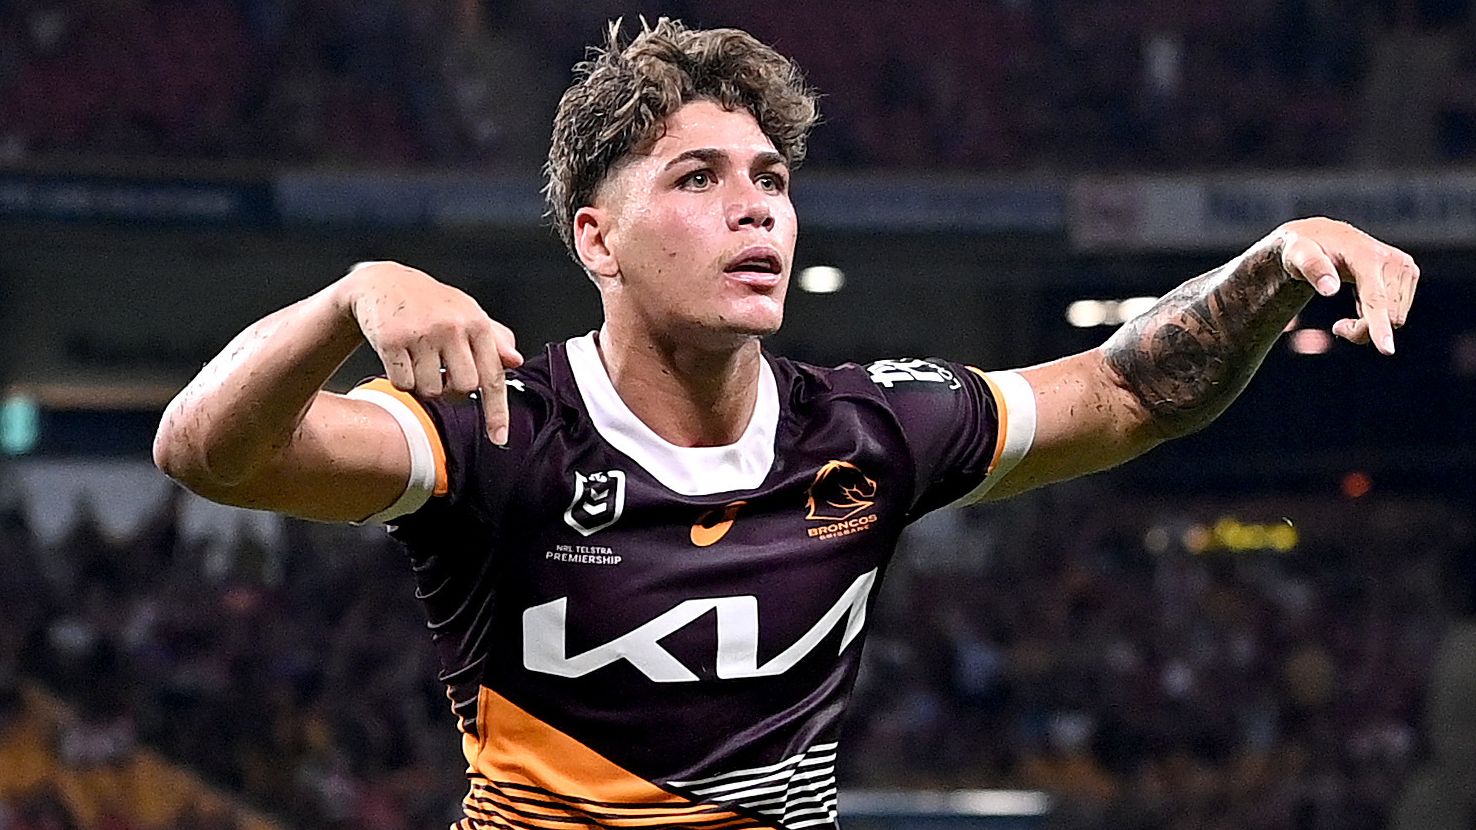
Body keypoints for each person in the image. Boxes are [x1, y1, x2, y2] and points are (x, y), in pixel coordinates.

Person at [152, 18, 1421, 830]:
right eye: (697, 180)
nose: (754, 209)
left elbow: (1131, 388)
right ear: (596, 236)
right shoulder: (499, 426)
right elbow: (207, 448)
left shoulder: (873, 428)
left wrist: (1276, 262)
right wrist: (347, 296)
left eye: (771, 179)